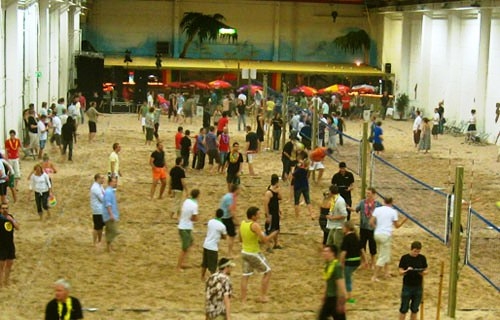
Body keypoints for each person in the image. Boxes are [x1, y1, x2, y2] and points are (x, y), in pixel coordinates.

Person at [239, 206, 278, 303]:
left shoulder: (243, 224)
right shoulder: (255, 225)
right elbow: (264, 240)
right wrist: (273, 235)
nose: (259, 215)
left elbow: (240, 239)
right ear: (253, 216)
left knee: (245, 276)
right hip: (253, 253)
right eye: (258, 214)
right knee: (268, 272)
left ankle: (243, 299)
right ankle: (262, 297)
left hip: (244, 252)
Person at [370, 197, 408, 281]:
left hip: (377, 234)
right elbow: (397, 226)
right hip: (385, 235)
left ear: (384, 201)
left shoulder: (378, 209)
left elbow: (371, 222)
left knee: (383, 253)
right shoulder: (393, 211)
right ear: (392, 202)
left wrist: (377, 228)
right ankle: (374, 276)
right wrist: (404, 221)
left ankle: (386, 272)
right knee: (383, 256)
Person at [398, 241, 428, 320]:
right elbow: (400, 272)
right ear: (411, 249)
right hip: (407, 286)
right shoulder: (405, 258)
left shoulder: (422, 258)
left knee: (415, 309)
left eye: (418, 251)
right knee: (404, 308)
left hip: (418, 286)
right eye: (415, 251)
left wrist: (422, 272)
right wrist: (406, 271)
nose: (416, 253)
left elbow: (426, 270)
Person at [339, 221, 367, 304]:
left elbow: (343, 252)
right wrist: (365, 261)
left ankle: (349, 297)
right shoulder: (356, 237)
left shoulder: (346, 238)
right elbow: (362, 250)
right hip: (357, 261)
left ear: (347, 228)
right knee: (348, 277)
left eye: (343, 227)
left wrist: (341, 263)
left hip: (349, 262)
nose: (342, 229)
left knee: (347, 279)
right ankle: (347, 294)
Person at [355, 187, 382, 269]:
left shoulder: (377, 204)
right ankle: (364, 262)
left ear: (374, 194)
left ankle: (373, 262)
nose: (367, 195)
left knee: (372, 246)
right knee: (362, 244)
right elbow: (356, 209)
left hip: (373, 228)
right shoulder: (362, 202)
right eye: (366, 193)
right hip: (363, 227)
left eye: (369, 193)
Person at [318, 245, 347, 320]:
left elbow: (341, 284)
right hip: (329, 297)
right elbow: (328, 282)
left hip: (335, 299)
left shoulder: (337, 266)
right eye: (324, 251)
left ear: (332, 253)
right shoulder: (328, 265)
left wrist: (341, 302)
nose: (324, 253)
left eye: (326, 251)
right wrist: (325, 294)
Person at [177, 189, 200, 271]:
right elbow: (194, 218)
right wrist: (196, 218)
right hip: (185, 228)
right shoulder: (195, 205)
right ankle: (178, 267)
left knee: (191, 242)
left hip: (183, 226)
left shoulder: (186, 201)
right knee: (184, 248)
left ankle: (183, 262)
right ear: (198, 196)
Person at [201, 209, 227, 280]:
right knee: (213, 265)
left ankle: (202, 276)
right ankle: (214, 279)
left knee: (205, 263)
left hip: (206, 244)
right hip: (213, 247)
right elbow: (225, 237)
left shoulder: (210, 221)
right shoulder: (222, 226)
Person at [0, 202, 19, 287]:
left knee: (9, 264)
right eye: (3, 208)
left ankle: (6, 281)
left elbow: (18, 227)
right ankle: (0, 283)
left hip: (10, 244)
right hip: (1, 245)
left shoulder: (10, 217)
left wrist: (11, 220)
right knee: (1, 266)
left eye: (6, 208)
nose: (5, 210)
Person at [264, 174, 283, 251]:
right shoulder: (269, 192)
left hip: (275, 212)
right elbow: (265, 205)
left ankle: (276, 244)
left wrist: (279, 210)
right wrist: (267, 215)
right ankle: (268, 245)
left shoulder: (276, 190)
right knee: (272, 230)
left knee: (276, 228)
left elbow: (280, 198)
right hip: (271, 214)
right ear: (277, 182)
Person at [220, 184, 240, 257]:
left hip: (225, 217)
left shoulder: (229, 195)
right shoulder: (230, 197)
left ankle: (229, 252)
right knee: (231, 235)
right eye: (239, 189)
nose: (240, 191)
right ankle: (229, 253)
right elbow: (231, 210)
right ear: (236, 190)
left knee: (230, 235)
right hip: (226, 218)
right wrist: (237, 221)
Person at [293, 151, 314, 219]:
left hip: (298, 186)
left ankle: (297, 216)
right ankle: (311, 214)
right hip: (305, 185)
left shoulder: (299, 169)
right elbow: (307, 176)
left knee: (296, 202)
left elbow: (293, 175)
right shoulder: (307, 169)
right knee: (308, 201)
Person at [325, 185, 348, 250]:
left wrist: (332, 218)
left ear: (331, 192)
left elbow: (344, 214)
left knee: (337, 247)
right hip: (333, 226)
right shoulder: (333, 199)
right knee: (329, 244)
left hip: (339, 227)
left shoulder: (340, 201)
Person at [103, 176, 120, 252]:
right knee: (113, 231)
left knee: (109, 231)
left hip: (110, 215)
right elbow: (108, 204)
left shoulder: (110, 191)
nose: (115, 183)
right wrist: (111, 215)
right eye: (114, 181)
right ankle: (108, 248)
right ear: (110, 183)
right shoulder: (108, 192)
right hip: (109, 216)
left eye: (116, 181)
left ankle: (109, 247)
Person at [90, 173, 105, 247]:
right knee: (97, 227)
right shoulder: (95, 188)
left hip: (101, 209)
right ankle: (94, 242)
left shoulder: (100, 186)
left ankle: (99, 241)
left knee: (100, 227)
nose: (103, 179)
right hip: (97, 210)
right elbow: (102, 199)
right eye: (102, 178)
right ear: (97, 179)